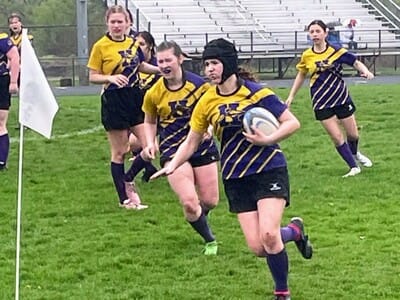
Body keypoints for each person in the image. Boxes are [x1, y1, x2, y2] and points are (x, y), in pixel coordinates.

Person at [150, 38, 313, 299]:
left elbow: (292, 123)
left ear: (228, 64)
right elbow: (192, 140)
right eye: (206, 65)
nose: (209, 70)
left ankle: (282, 292)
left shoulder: (256, 93)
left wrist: (268, 139)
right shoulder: (206, 101)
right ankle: (294, 231)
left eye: (214, 63)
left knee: (270, 235)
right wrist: (172, 165)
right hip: (236, 177)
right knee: (259, 247)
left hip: (268, 169)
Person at [142, 40, 220, 255]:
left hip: (202, 147)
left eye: (168, 60)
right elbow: (150, 121)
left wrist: (211, 129)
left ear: (180, 59)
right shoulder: (154, 93)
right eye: (160, 61)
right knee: (189, 203)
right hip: (173, 151)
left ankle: (199, 217)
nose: (164, 65)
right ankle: (210, 240)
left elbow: (213, 111)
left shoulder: (200, 86)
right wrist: (150, 143)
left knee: (210, 201)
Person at [87, 5, 159, 209]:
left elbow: (140, 66)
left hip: (135, 99)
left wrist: (159, 70)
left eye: (121, 21)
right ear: (107, 23)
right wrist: (110, 77)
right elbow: (92, 76)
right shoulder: (100, 46)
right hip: (114, 101)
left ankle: (128, 178)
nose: (117, 25)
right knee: (120, 152)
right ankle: (124, 199)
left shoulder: (133, 43)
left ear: (128, 23)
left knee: (149, 147)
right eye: (113, 22)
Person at [286, 19, 373, 178]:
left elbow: (355, 62)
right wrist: (291, 96)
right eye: (311, 32)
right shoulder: (307, 55)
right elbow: (301, 75)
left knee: (352, 135)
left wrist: (366, 71)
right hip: (321, 101)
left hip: (340, 97)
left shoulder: (336, 51)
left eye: (318, 31)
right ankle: (353, 167)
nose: (314, 34)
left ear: (325, 33)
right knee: (337, 136)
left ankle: (355, 154)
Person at [127, 31, 160, 182]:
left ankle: (129, 178)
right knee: (132, 145)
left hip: (157, 114)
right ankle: (148, 169)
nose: (138, 48)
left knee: (137, 143)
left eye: (142, 44)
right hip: (137, 111)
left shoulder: (158, 65)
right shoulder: (132, 64)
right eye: (136, 44)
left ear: (150, 46)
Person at [0, 32, 19, 171]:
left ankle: (1, 162)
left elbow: (14, 56)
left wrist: (13, 81)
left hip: (1, 81)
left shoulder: (2, 39)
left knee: (0, 123)